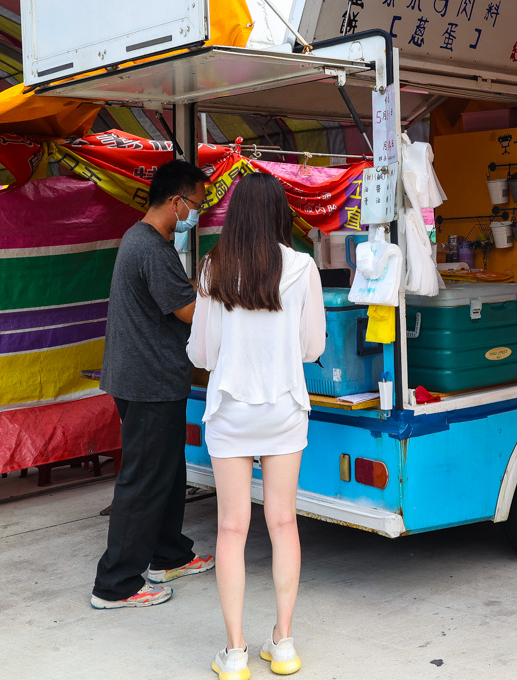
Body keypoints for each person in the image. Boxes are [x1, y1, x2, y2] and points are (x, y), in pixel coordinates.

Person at [186, 173, 325, 678]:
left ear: (235, 214)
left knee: (230, 528)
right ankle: (283, 645)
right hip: (285, 408)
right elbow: (313, 349)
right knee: (284, 523)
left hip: (229, 412)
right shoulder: (303, 267)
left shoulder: (213, 268)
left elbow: (202, 353)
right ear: (278, 214)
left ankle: (236, 652)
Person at [90, 159, 216, 610]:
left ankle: (168, 555)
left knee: (168, 472)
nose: (196, 214)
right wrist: (219, 290)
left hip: (147, 376)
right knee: (143, 480)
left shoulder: (144, 240)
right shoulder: (150, 247)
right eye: (197, 204)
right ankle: (116, 583)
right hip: (147, 380)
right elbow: (187, 312)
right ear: (177, 201)